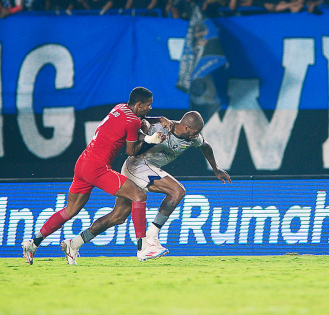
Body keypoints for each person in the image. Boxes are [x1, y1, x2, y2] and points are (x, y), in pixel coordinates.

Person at [22, 87, 172, 264]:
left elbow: (137, 122)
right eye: (148, 105)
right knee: (139, 196)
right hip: (97, 168)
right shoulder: (133, 122)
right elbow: (131, 151)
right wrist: (151, 140)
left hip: (83, 163)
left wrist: (156, 122)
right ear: (138, 105)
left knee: (69, 210)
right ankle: (143, 249)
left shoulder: (120, 108)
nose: (150, 109)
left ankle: (34, 243)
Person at [62, 111, 231, 261]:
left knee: (118, 216)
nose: (197, 135)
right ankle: (150, 238)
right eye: (196, 131)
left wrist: (216, 169)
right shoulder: (163, 127)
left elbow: (206, 147)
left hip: (147, 168)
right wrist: (156, 120)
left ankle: (74, 243)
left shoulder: (192, 138)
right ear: (186, 127)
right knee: (177, 191)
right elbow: (139, 120)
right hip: (136, 165)